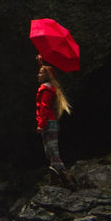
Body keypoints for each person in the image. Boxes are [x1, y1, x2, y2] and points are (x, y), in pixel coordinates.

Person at [35, 55, 76, 188]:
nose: (38, 75)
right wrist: (41, 62)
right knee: (50, 151)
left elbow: (44, 108)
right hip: (50, 123)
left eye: (41, 73)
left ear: (46, 76)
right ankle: (58, 179)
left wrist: (41, 125)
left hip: (48, 123)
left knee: (53, 151)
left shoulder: (46, 89)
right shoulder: (48, 87)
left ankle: (65, 178)